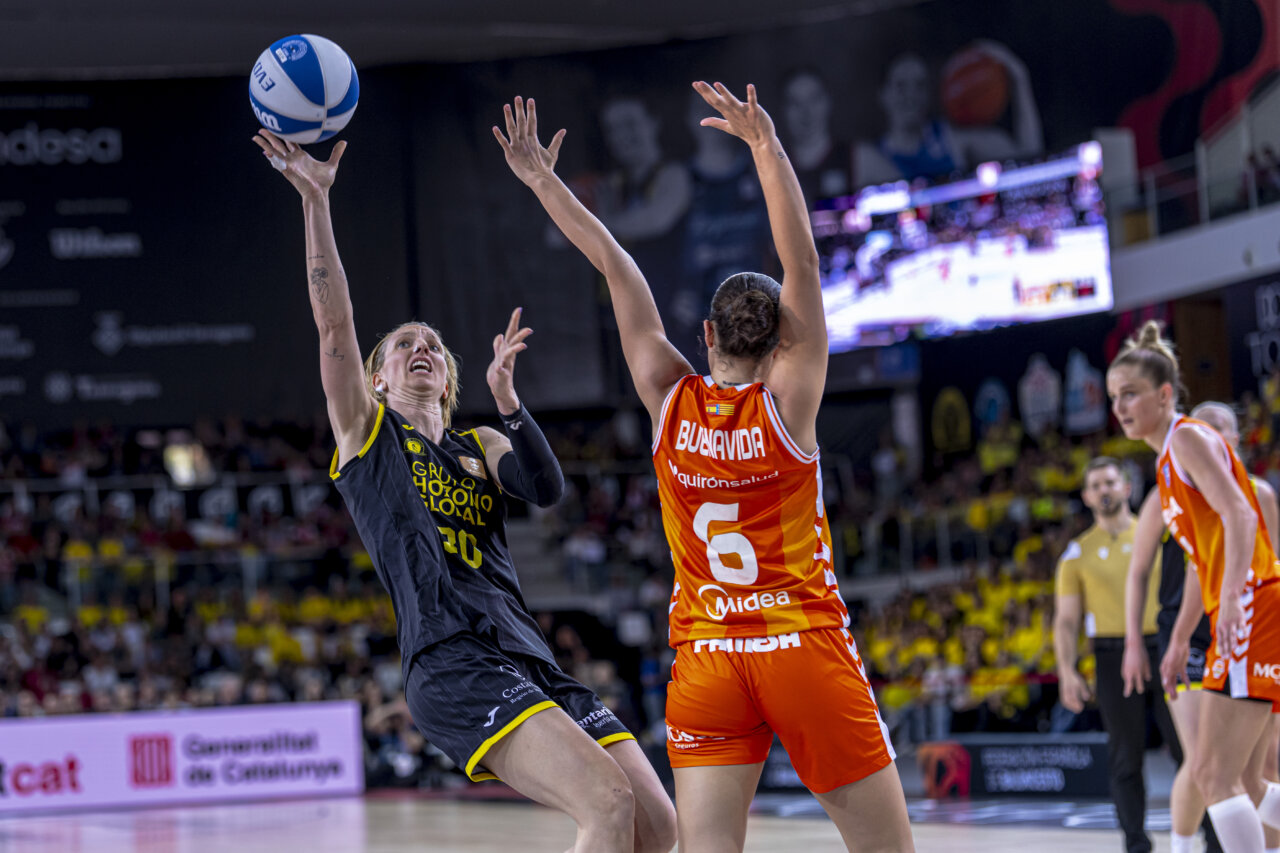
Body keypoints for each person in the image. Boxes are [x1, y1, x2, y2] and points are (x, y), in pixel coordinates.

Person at [495, 84, 913, 852]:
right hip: (801, 646)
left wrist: (543, 182)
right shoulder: (788, 403)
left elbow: (618, 267)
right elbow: (805, 261)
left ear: (707, 331)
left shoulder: (666, 398)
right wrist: (766, 147)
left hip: (710, 658)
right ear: (783, 338)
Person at [252, 128, 676, 853]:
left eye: (432, 347)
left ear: (449, 380)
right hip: (450, 657)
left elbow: (545, 488)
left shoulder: (480, 444)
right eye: (401, 346)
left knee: (657, 826)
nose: (420, 348)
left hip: (526, 653)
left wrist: (510, 402)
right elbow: (333, 325)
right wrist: (316, 202)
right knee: (604, 802)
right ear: (378, 377)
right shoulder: (367, 431)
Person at [1108, 322, 1280, 853]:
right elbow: (1199, 561)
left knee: (1211, 772)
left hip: (1253, 601)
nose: (1120, 407)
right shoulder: (1164, 463)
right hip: (1243, 603)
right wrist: (1182, 634)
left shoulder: (1185, 436)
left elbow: (1240, 514)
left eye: (1130, 394)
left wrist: (1230, 600)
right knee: (1250, 777)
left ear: (1164, 394)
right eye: (1114, 397)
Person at [1053, 456, 1177, 853]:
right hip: (1110, 655)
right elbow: (1067, 621)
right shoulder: (1076, 554)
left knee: (1188, 750)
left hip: (1166, 646)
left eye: (1111, 482)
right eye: (1096, 485)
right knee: (1125, 757)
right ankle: (1137, 844)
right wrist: (1066, 670)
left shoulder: (1158, 533)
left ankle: (1211, 841)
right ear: (1087, 496)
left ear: (1127, 487)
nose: (1104, 490)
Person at [853, 42, 1043, 188]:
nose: (911, 96)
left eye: (919, 85)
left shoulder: (952, 140)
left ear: (929, 93)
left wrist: (1019, 78)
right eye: (901, 86)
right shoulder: (871, 159)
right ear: (883, 94)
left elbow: (1029, 157)